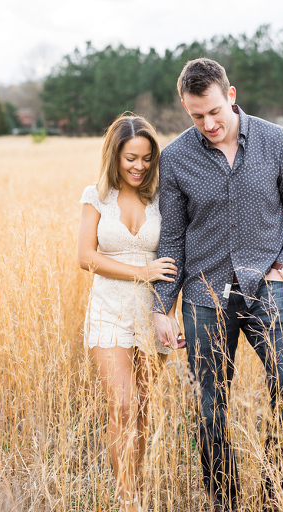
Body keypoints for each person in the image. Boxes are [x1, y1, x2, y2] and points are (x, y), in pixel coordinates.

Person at [153, 58, 283, 511]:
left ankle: (271, 489)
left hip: (267, 285)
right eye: (195, 116)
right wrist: (160, 307)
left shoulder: (276, 142)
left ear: (230, 95)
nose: (207, 124)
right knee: (211, 405)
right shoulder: (175, 159)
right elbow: (170, 238)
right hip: (204, 292)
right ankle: (223, 500)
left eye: (213, 112)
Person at [77, 114, 181, 512]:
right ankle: (127, 500)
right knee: (121, 402)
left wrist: (171, 312)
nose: (139, 167)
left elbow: (175, 259)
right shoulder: (96, 196)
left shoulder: (163, 199)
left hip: (151, 311)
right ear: (114, 156)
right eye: (130, 158)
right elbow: (86, 257)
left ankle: (135, 483)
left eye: (147, 159)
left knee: (141, 407)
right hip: (107, 308)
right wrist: (141, 271)